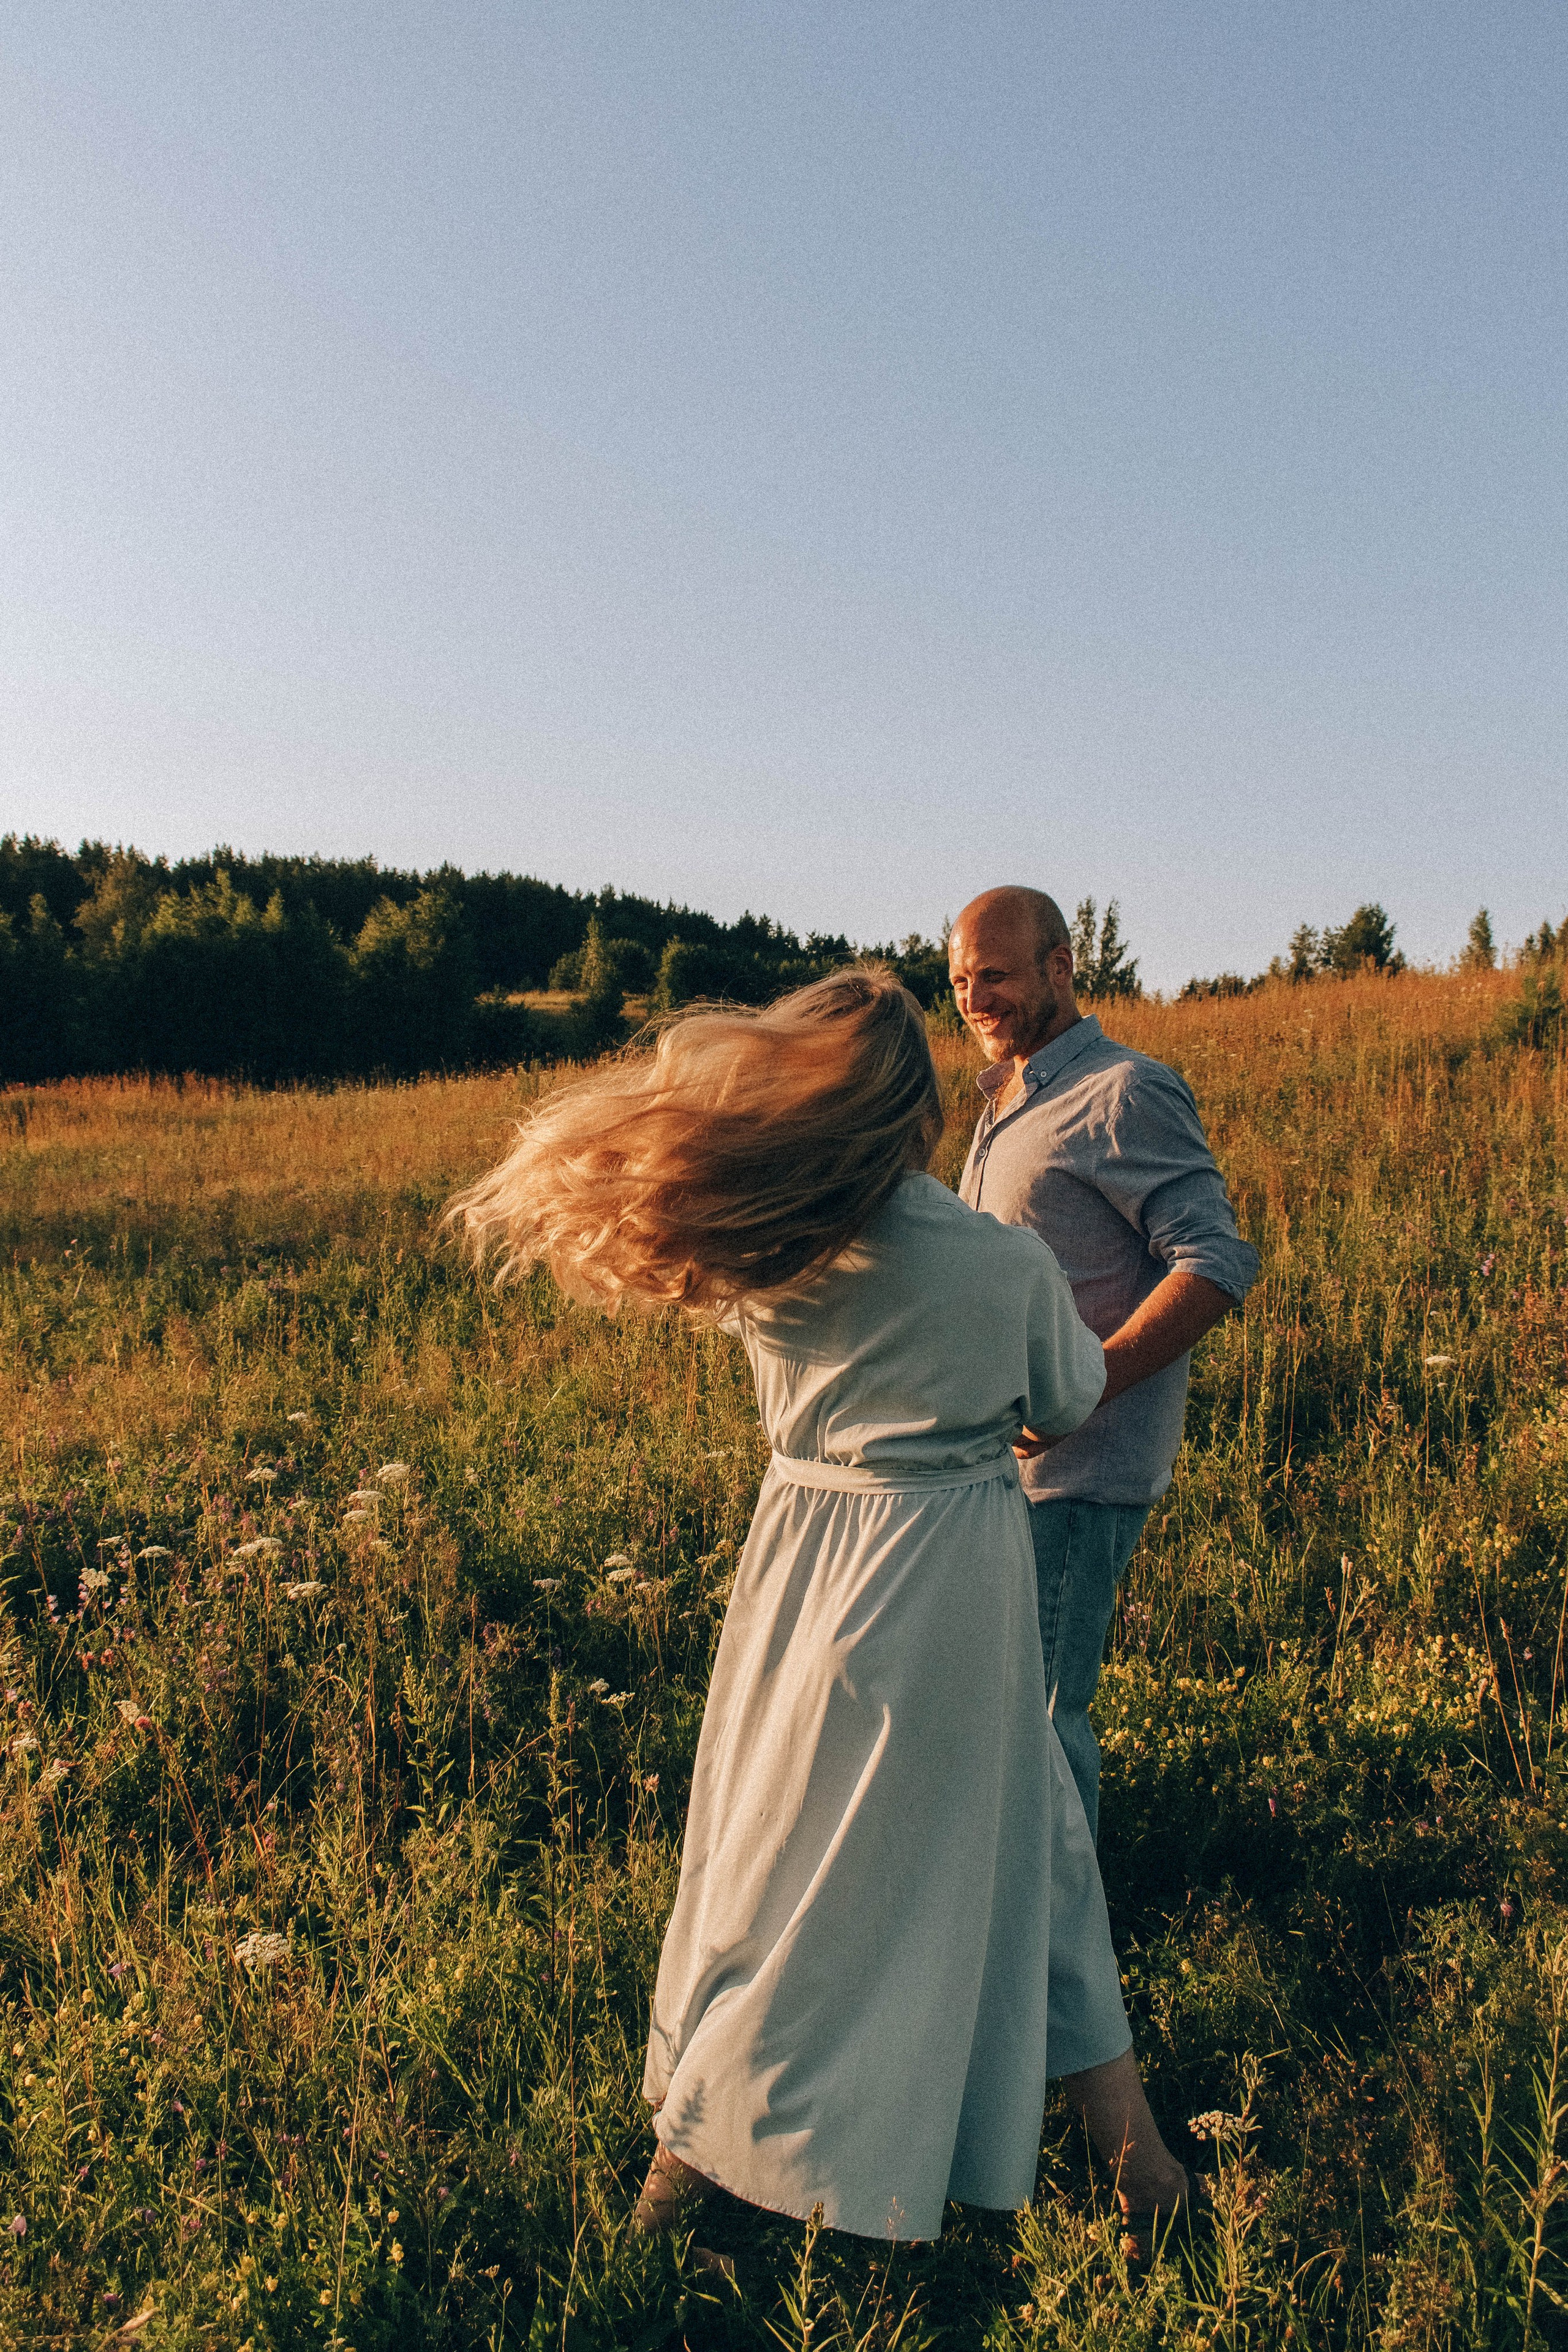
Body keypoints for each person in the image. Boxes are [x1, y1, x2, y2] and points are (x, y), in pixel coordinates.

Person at [452, 967, 1199, 2255]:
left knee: (919, 1843)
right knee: (840, 1875)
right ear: (918, 1108)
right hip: (949, 1568)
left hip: (802, 1560)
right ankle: (689, 2183)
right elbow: (1067, 1398)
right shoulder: (999, 1262)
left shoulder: (778, 1253)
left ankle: (1138, 2163)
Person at [948, 889, 1261, 1842]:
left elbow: (1215, 1261)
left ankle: (1067, 1965)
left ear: (1060, 967)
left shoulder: (1125, 1090)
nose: (975, 999)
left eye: (995, 974)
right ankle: (1018, 1943)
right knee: (1001, 1721)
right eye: (961, 980)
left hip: (1076, 1475)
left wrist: (1089, 1386)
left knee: (1042, 1724)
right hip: (1001, 1470)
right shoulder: (1010, 1101)